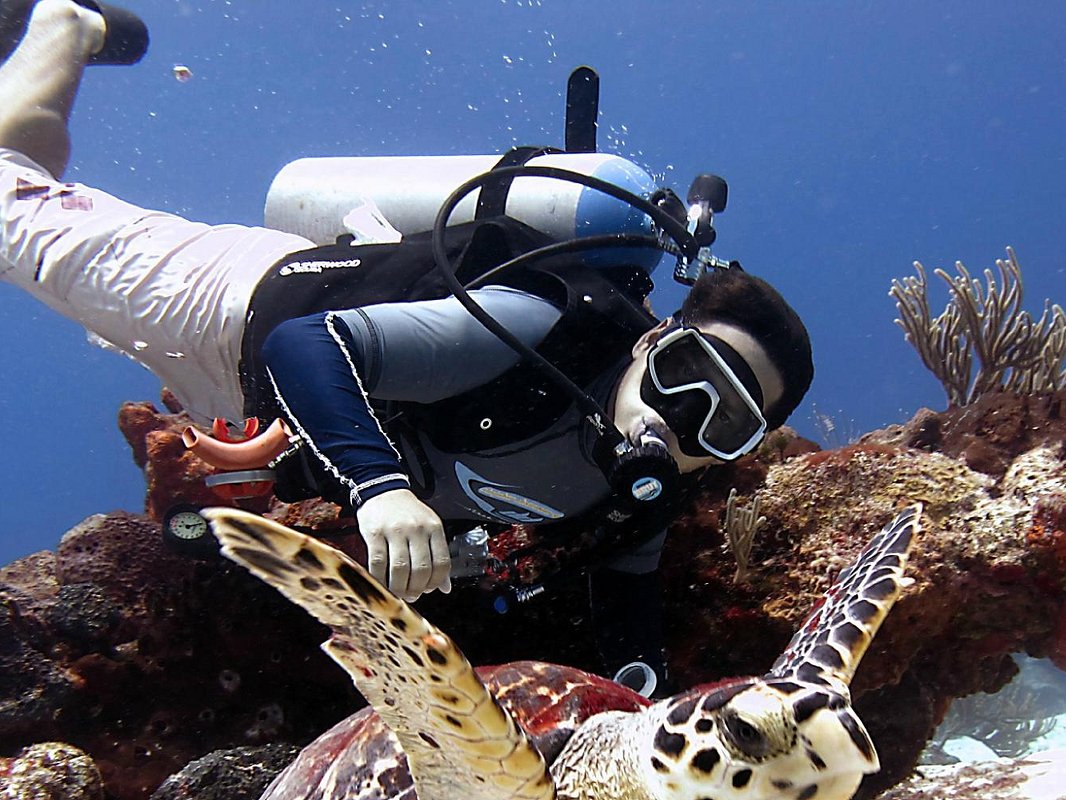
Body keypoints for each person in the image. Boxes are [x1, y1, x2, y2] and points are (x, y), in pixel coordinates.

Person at [0, 0, 814, 694]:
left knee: (44, 224)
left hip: (267, 412)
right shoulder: (539, 330)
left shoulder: (643, 503)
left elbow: (627, 611)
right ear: (653, 340)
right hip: (233, 304)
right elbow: (306, 344)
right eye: (685, 376)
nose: (680, 424)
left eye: (724, 423)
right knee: (9, 203)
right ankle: (63, 25)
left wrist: (641, 701)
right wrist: (380, 488)